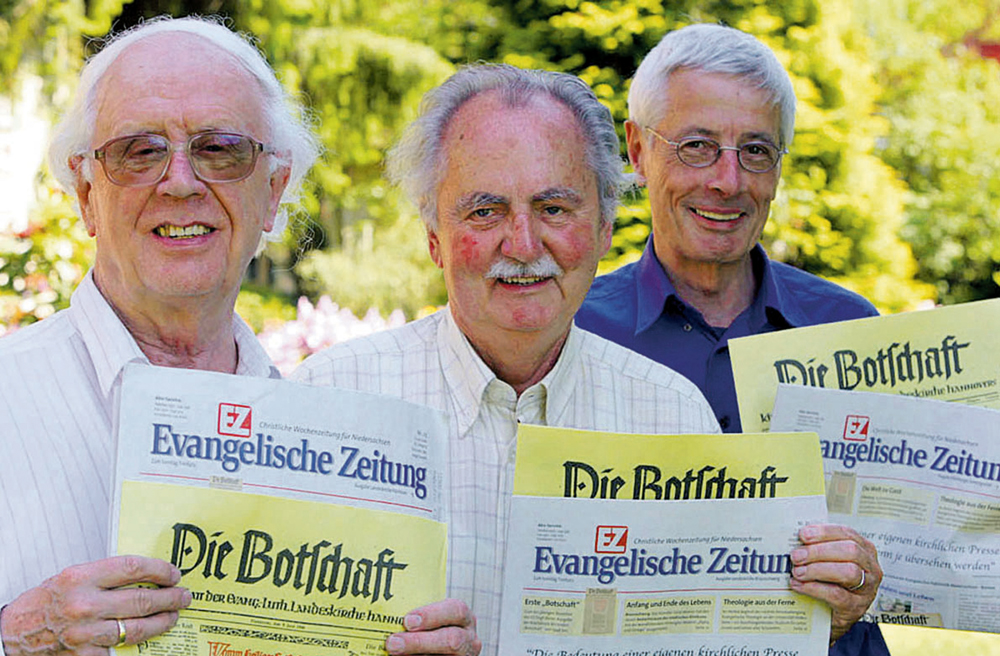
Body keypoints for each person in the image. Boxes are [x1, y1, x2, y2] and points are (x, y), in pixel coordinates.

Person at [292, 63, 722, 655]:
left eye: (553, 208)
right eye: (484, 211)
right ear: (433, 235)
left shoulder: (673, 419)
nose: (521, 246)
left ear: (603, 227)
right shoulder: (329, 402)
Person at [0, 16, 318, 656]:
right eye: (139, 151)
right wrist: (11, 635)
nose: (179, 181)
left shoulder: (321, 431)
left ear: (274, 191)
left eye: (219, 148)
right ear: (86, 192)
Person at [575, 23, 887, 655]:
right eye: (696, 146)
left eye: (756, 151)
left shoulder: (851, 330)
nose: (727, 180)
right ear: (637, 150)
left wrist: (864, 579)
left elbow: (911, 552)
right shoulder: (572, 330)